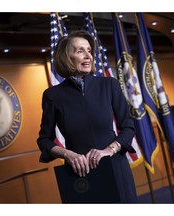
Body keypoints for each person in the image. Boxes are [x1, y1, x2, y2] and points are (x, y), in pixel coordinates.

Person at [37, 30, 138, 203]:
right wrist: (68, 155)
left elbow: (128, 127)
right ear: (66, 57)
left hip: (114, 166)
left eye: (89, 51)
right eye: (80, 51)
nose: (87, 56)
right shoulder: (52, 95)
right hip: (80, 174)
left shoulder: (109, 85)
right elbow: (44, 140)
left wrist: (109, 150)